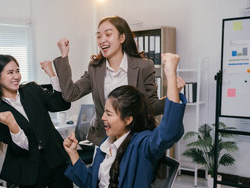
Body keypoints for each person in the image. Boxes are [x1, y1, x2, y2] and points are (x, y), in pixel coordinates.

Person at [62, 53, 186, 188]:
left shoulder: (142, 144)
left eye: (109, 114)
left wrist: (170, 76)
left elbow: (168, 132)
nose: (103, 118)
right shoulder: (106, 144)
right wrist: (73, 153)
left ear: (128, 119)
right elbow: (89, 183)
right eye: (104, 112)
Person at [41, 15, 185, 146]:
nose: (102, 40)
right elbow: (70, 94)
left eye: (108, 34)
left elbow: (152, 107)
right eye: (99, 36)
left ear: (122, 38)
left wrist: (174, 93)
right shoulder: (95, 68)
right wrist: (64, 55)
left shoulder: (143, 66)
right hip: (104, 140)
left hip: (135, 139)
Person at [0, 55, 75, 188]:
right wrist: (13, 125)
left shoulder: (32, 89)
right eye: (10, 72)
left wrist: (51, 73)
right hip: (29, 169)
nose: (16, 76)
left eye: (17, 71)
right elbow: (23, 147)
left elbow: (61, 104)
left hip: (55, 159)